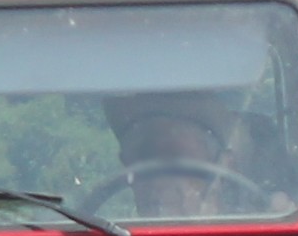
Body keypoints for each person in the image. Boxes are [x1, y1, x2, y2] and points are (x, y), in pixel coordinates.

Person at [103, 92, 287, 217]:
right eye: (144, 158)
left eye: (176, 156)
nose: (157, 180)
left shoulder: (264, 228)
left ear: (224, 166)